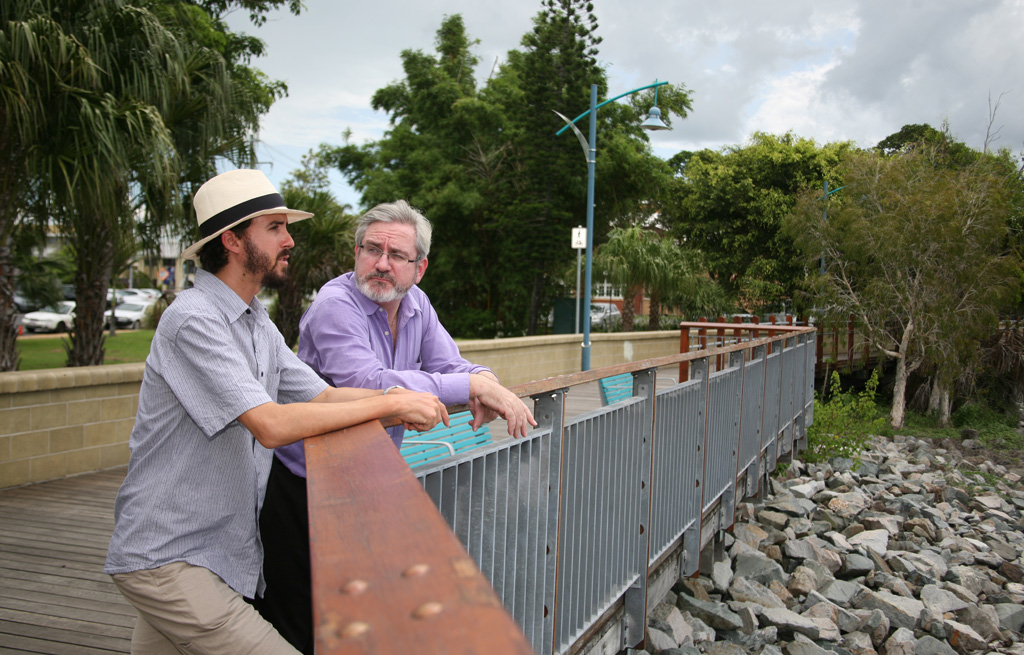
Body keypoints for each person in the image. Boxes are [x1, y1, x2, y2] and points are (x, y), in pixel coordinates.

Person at [104, 171, 448, 655]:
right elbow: (270, 424)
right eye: (275, 228)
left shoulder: (254, 321)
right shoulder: (193, 319)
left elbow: (322, 397)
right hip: (169, 557)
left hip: (215, 554)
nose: (289, 240)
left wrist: (398, 403)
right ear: (233, 240)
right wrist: (393, 403)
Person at [255, 199, 536, 654]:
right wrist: (468, 385)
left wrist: (483, 381)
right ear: (356, 252)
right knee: (303, 624)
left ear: (419, 268)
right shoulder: (334, 306)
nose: (382, 264)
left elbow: (450, 363)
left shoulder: (416, 305)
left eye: (397, 255)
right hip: (305, 487)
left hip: (367, 482)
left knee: (358, 618)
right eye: (372, 249)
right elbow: (369, 385)